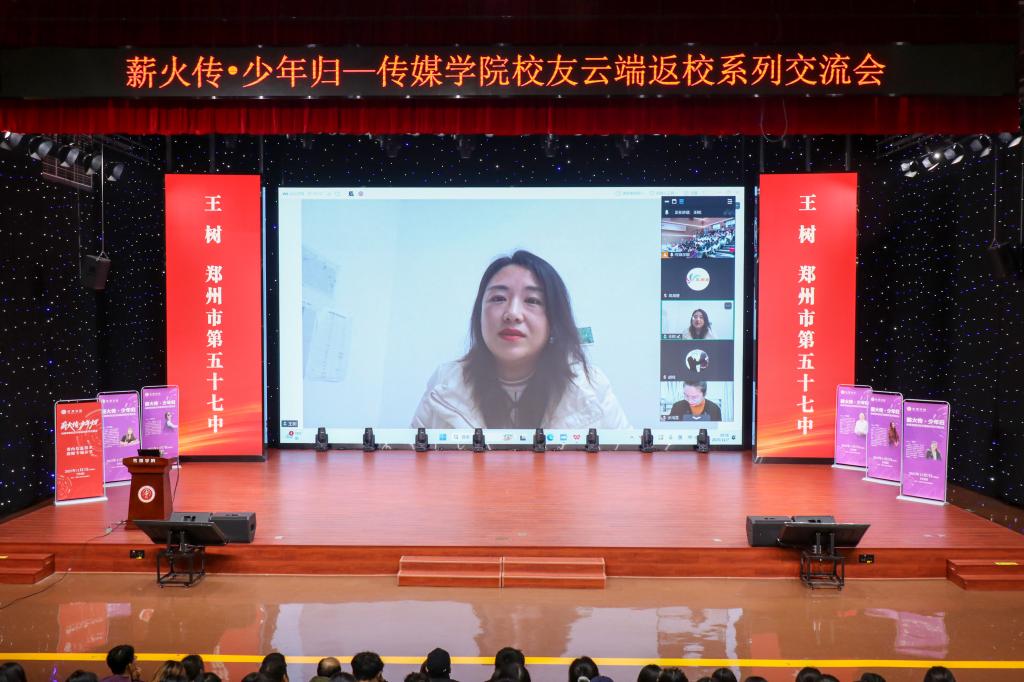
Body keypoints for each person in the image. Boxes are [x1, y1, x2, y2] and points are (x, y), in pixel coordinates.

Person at [411, 250, 629, 429]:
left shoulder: (590, 386)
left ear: (554, 319)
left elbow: (627, 464)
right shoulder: (445, 382)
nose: (512, 314)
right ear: (479, 314)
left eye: (532, 300)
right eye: (498, 298)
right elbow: (413, 464)